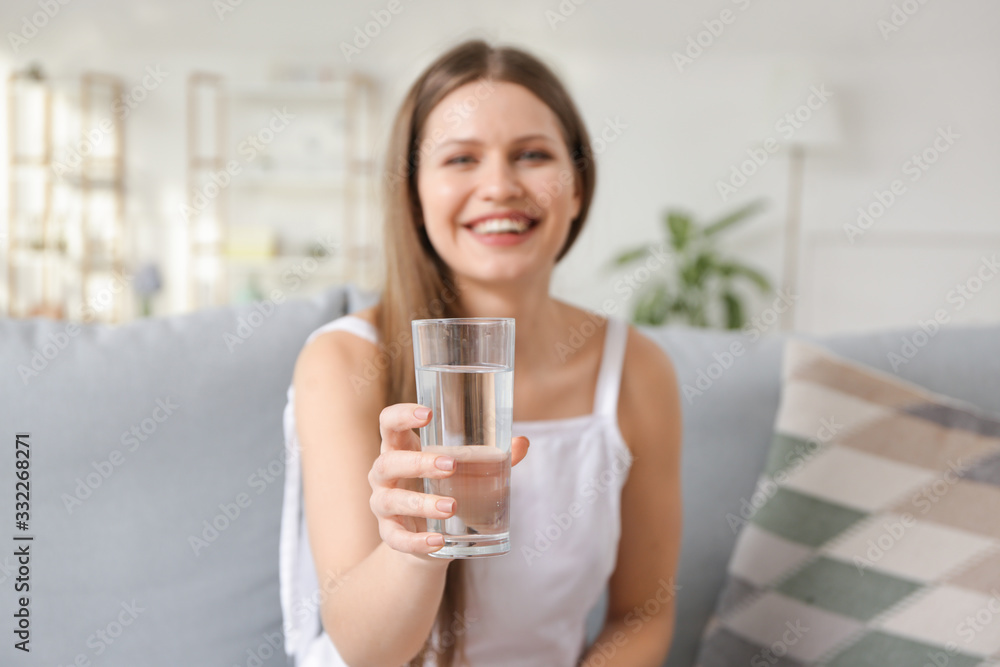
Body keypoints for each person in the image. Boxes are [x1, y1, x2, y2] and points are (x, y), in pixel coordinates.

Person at [279, 39, 682, 667]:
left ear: (577, 189)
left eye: (532, 155)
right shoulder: (342, 364)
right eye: (461, 159)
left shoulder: (637, 369)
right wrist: (412, 546)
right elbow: (365, 651)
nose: (499, 186)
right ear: (413, 198)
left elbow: (644, 611)